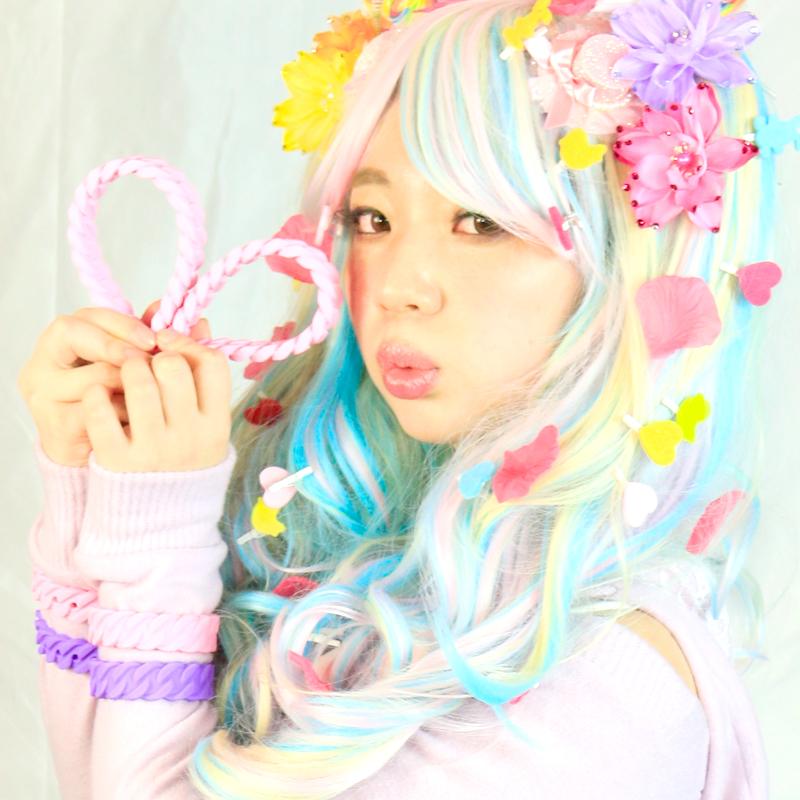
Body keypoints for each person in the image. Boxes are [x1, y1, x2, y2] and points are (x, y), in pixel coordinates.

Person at [18, 0, 791, 797]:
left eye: (481, 222)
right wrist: (86, 502)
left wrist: (156, 542)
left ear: (631, 262)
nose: (395, 286)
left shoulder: (601, 700)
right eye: (374, 217)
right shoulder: (394, 574)